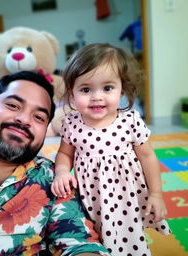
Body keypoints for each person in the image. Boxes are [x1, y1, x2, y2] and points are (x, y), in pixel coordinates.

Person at [0, 71, 111, 256]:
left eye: (39, 117)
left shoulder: (52, 178)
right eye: (13, 105)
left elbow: (78, 243)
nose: (24, 120)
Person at [51, 43, 171, 256]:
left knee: (130, 233)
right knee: (97, 235)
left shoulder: (130, 120)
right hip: (92, 194)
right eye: (86, 89)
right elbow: (64, 154)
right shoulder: (71, 123)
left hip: (127, 193)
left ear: (121, 88)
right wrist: (61, 171)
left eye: (107, 88)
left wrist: (156, 193)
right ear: (72, 92)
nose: (97, 97)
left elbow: (148, 156)